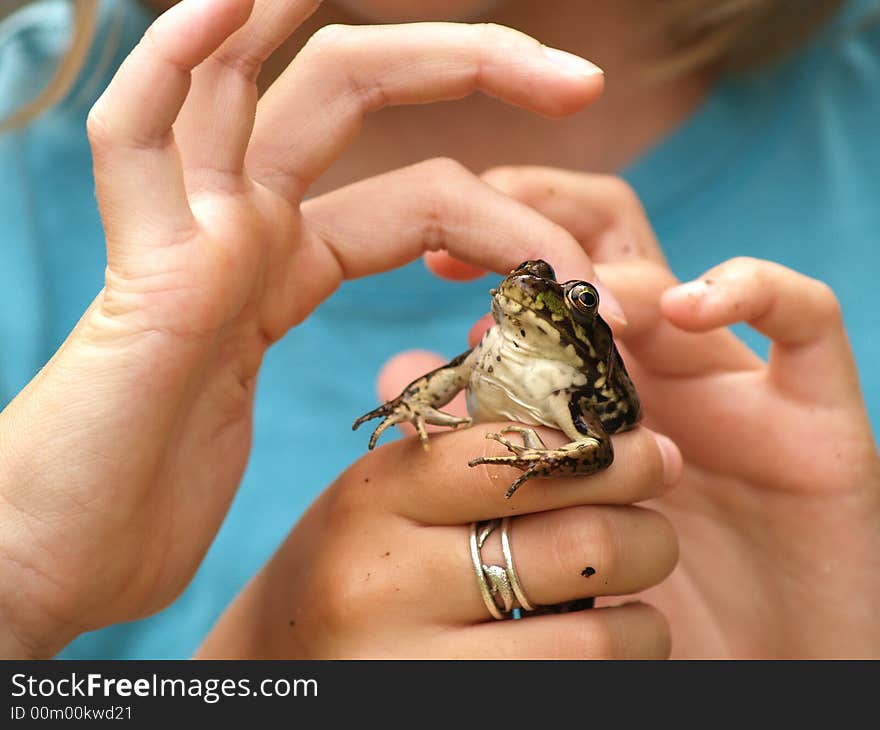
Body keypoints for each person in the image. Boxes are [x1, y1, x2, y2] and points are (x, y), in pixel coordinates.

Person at [0, 0, 877, 659]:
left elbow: (599, 446)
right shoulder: (24, 144)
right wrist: (22, 587)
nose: (529, 299)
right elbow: (451, 377)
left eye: (556, 296)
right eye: (526, 288)